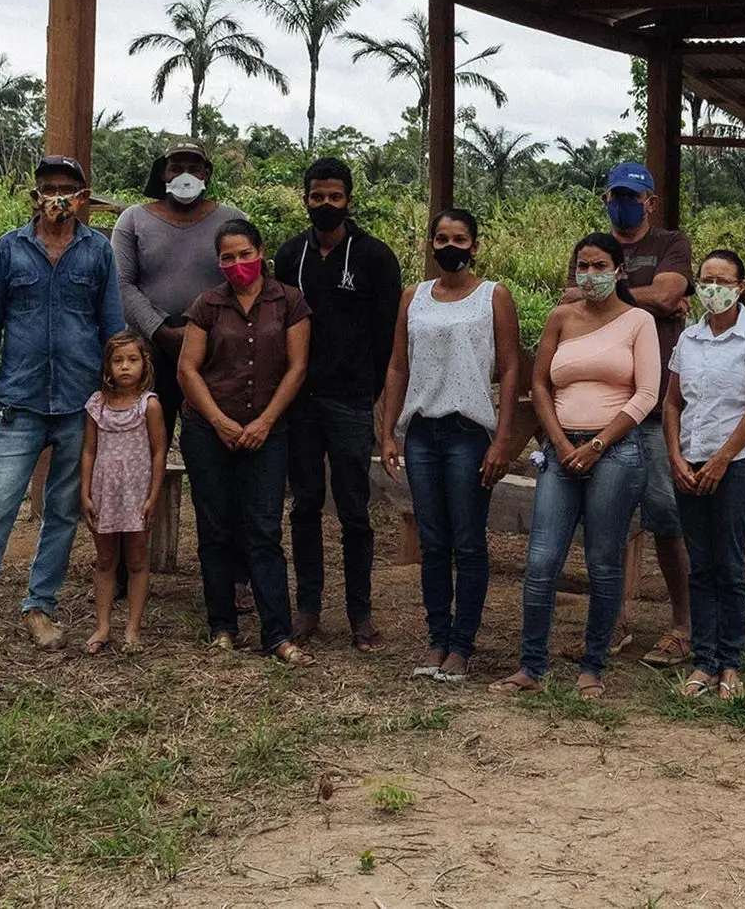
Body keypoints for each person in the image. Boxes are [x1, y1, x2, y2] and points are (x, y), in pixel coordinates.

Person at [0, 155, 124, 659]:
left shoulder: (98, 254)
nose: (58, 197)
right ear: (34, 197)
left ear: (83, 198)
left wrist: (114, 401)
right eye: (49, 188)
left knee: (63, 512)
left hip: (77, 404)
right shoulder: (10, 250)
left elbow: (111, 330)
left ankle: (39, 607)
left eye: (68, 188)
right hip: (17, 404)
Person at [494, 234, 661, 700]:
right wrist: (563, 442)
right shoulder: (561, 317)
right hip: (560, 450)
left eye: (600, 265)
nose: (590, 275)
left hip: (616, 454)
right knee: (542, 560)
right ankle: (530, 665)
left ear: (620, 270)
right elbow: (540, 384)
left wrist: (599, 444)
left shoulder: (638, 322)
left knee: (603, 562)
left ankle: (592, 665)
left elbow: (647, 394)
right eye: (582, 266)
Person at [376, 208, 525, 683]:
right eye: (440, 238)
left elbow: (510, 368)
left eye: (459, 238)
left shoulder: (492, 297)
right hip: (422, 430)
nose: (449, 246)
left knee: (468, 540)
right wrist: (388, 430)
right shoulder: (413, 297)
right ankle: (437, 638)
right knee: (434, 541)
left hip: (468, 432)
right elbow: (398, 364)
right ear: (431, 245)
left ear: (475, 244)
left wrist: (502, 438)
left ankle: (463, 645)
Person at [559, 161, 693, 668]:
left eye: (633, 196)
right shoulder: (591, 247)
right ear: (605, 199)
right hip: (600, 414)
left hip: (655, 410)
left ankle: (682, 627)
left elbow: (669, 293)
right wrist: (650, 301)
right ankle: (610, 626)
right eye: (617, 195)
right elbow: (571, 305)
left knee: (666, 519)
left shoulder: (671, 243)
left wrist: (607, 298)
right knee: (605, 524)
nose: (624, 203)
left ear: (650, 201)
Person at [273, 157, 404, 652]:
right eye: (316, 196)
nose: (325, 205)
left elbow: (389, 335)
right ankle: (308, 608)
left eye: (334, 197)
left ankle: (359, 614)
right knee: (305, 504)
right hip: (299, 401)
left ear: (349, 198)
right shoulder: (290, 256)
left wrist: (370, 395)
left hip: (350, 401)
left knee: (354, 508)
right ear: (304, 198)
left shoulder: (374, 256)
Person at [177, 219, 314, 660]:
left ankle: (277, 633)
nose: (238, 264)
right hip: (207, 430)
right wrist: (218, 421)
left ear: (261, 252)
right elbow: (187, 370)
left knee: (264, 530)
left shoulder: (289, 301)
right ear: (219, 263)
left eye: (245, 254)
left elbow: (297, 368)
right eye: (228, 257)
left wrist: (265, 422)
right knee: (214, 528)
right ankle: (222, 626)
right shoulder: (207, 305)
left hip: (266, 433)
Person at [664, 249, 745, 700]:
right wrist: (675, 455)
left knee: (729, 565)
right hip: (688, 465)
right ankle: (704, 661)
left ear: (741, 287)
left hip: (736, 466)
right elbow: (673, 403)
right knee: (701, 564)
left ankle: (730, 661)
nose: (714, 288)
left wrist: (722, 459)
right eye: (706, 279)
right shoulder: (688, 340)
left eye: (723, 280)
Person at [111, 141, 249, 451]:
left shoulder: (232, 220)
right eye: (176, 168)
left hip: (214, 352)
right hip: (149, 351)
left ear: (207, 173)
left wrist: (201, 334)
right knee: (143, 445)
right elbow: (120, 284)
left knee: (209, 445)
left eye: (193, 167)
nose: (185, 175)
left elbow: (245, 282)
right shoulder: (133, 220)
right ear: (163, 173)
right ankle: (147, 501)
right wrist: (162, 331)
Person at [79, 331, 166, 653]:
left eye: (132, 359)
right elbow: (88, 451)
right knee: (104, 560)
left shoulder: (149, 405)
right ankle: (102, 627)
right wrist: (85, 493)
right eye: (118, 360)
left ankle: (132, 629)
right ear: (107, 366)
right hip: (105, 493)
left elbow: (159, 451)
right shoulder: (96, 405)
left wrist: (153, 496)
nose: (125, 367)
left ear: (145, 364)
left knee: (137, 560)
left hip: (136, 494)